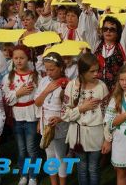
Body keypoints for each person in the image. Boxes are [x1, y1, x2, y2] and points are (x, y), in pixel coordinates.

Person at [62, 53, 111, 185]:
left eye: (97, 70)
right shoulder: (72, 86)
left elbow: (108, 115)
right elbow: (64, 114)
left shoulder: (102, 86)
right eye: (92, 71)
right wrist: (81, 108)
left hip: (96, 133)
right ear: (82, 72)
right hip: (78, 134)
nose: (96, 74)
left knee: (93, 168)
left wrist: (107, 138)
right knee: (82, 168)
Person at [1, 45, 40, 185]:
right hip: (17, 117)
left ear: (27, 58)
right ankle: (24, 174)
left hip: (31, 116)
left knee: (31, 148)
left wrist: (39, 119)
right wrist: (18, 93)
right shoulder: (8, 77)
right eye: (15, 58)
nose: (18, 61)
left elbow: (39, 98)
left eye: (22, 58)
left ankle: (33, 175)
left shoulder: (35, 76)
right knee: (21, 148)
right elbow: (6, 99)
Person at [35, 52, 70, 185]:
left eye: (52, 69)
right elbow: (38, 103)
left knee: (60, 156)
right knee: (50, 156)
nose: (49, 72)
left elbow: (70, 108)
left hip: (60, 125)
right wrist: (46, 90)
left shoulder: (68, 83)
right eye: (46, 69)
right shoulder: (44, 81)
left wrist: (60, 119)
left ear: (61, 67)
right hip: (46, 123)